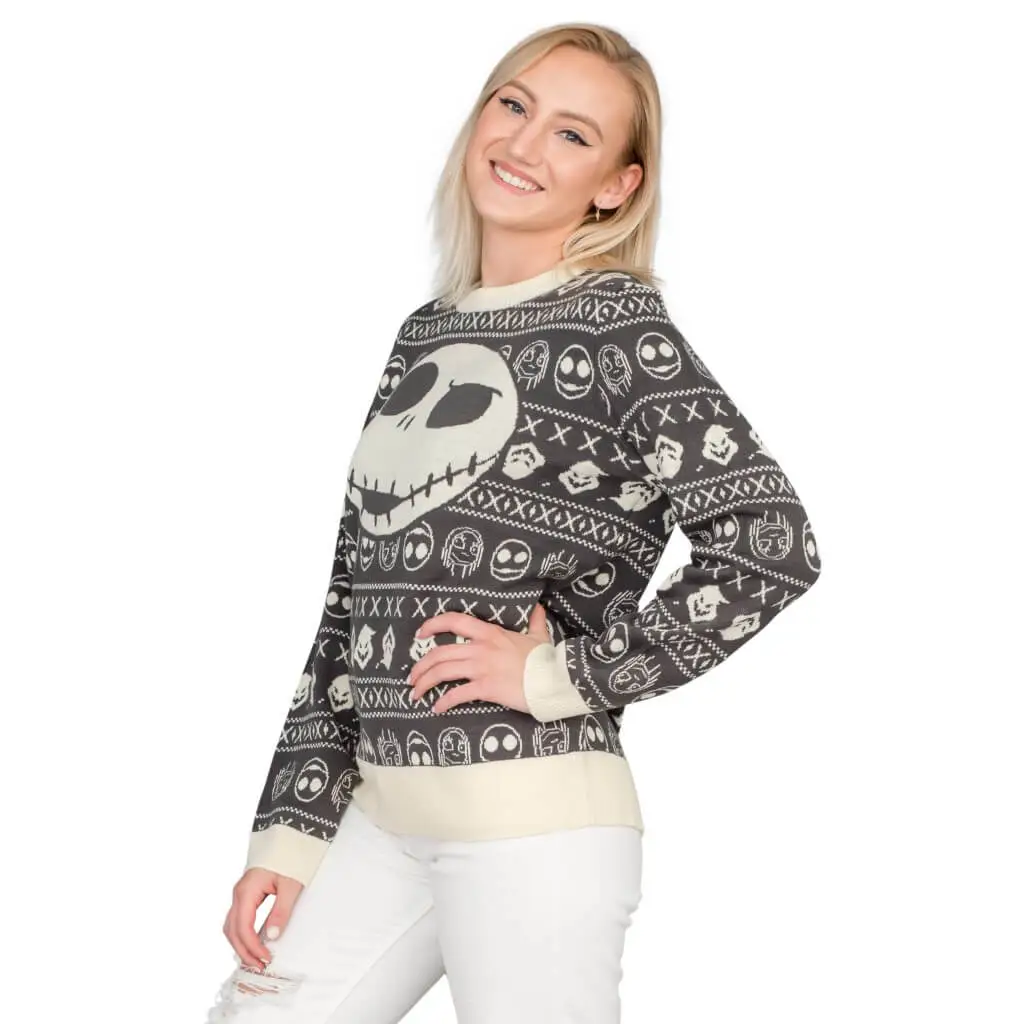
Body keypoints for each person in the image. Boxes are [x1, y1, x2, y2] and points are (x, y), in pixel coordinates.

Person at [205, 21, 822, 1024]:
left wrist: (557, 676)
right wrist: (292, 830)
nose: (525, 144)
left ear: (616, 186)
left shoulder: (617, 327)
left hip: (534, 822)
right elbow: (350, 600)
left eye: (573, 135)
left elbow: (771, 545)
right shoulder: (425, 334)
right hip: (381, 814)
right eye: (514, 105)